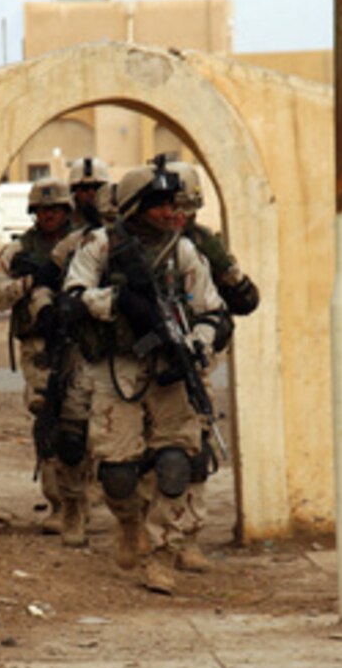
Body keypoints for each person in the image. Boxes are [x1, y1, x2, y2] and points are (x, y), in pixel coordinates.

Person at [62, 160, 232, 593]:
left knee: (176, 464)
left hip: (172, 373)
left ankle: (163, 556)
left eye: (171, 204)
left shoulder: (183, 251)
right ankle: (129, 522)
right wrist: (119, 302)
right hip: (117, 367)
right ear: (136, 207)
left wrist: (197, 343)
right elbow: (73, 300)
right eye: (158, 205)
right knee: (117, 475)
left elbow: (213, 312)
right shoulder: (100, 246)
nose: (168, 213)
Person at [0, 177, 75, 532]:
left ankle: (80, 500)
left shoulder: (84, 244)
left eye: (55, 209)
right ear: (34, 213)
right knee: (48, 420)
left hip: (81, 343)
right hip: (39, 346)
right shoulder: (18, 251)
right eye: (43, 210)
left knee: (82, 421)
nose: (49, 215)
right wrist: (27, 284)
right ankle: (59, 503)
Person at [166, 160, 260, 316]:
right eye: (174, 208)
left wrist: (227, 269)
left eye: (187, 209)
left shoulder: (201, 240)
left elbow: (247, 302)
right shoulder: (137, 242)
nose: (180, 217)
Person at [68, 156, 110, 229]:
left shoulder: (114, 220)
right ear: (75, 191)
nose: (91, 194)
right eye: (85, 188)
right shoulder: (65, 222)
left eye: (96, 187)